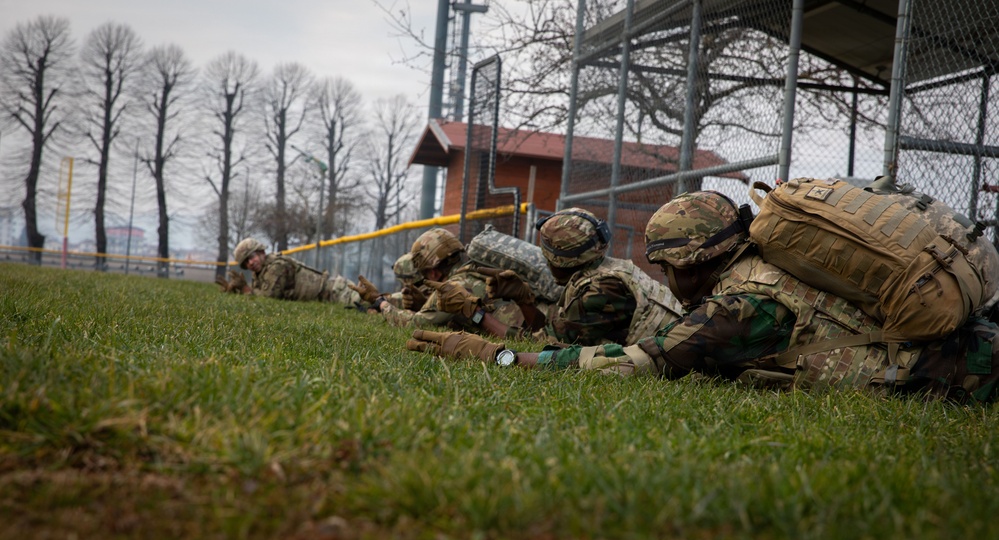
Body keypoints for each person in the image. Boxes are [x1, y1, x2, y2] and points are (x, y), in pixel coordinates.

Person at [406, 191, 999, 405]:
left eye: (665, 262)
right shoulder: (762, 270)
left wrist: (496, 356)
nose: (661, 273)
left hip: (965, 371)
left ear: (692, 264)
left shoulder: (738, 306)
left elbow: (633, 364)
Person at [530, 207, 682, 346]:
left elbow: (546, 340)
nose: (547, 264)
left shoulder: (597, 291)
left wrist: (520, 305)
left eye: (548, 258)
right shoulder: (615, 268)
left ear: (560, 261)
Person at [353, 227, 537, 337]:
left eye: (424, 274)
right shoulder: (473, 273)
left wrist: (382, 304)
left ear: (433, 272)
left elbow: (414, 324)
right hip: (537, 327)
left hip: (526, 336)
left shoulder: (453, 287)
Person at [232, 237, 362, 307]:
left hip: (335, 292)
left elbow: (269, 298)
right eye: (245, 263)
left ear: (261, 252)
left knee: (372, 304)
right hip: (328, 296)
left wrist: (246, 290)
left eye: (251, 257)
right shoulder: (261, 272)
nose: (250, 263)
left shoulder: (277, 266)